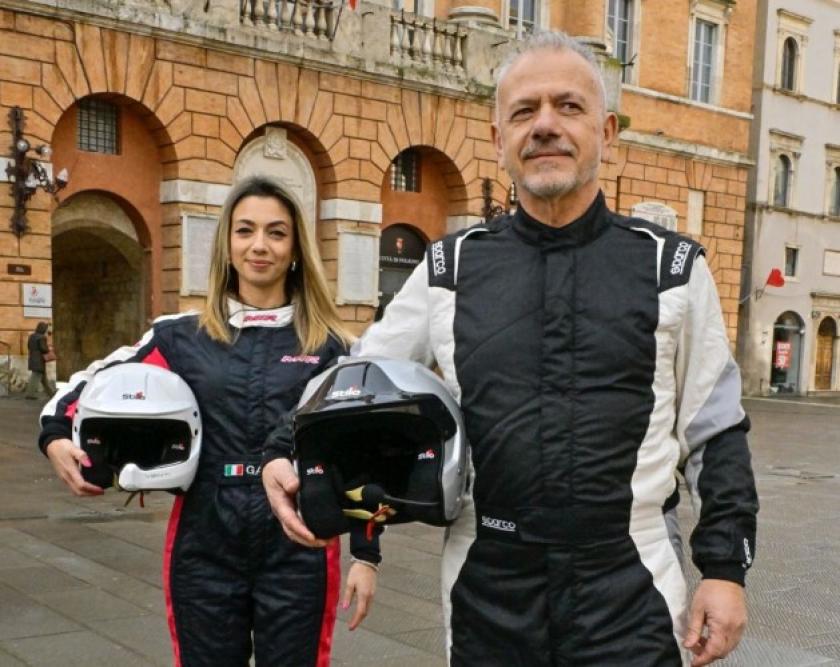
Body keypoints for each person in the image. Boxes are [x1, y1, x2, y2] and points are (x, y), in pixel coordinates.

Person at [265, 31, 758, 667]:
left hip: (629, 584)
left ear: (608, 133)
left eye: (569, 107)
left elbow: (716, 432)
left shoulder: (673, 269)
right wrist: (281, 448)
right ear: (499, 140)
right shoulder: (448, 269)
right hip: (487, 587)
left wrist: (724, 568)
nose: (545, 125)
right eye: (525, 111)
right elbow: (353, 380)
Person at [37, 175, 379, 667]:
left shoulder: (334, 348)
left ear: (296, 249)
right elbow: (83, 389)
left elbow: (363, 450)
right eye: (245, 230)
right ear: (226, 245)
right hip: (203, 543)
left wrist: (366, 555)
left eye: (276, 232)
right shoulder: (180, 338)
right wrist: (54, 436)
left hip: (300, 544)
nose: (259, 245)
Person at [25, 321, 55, 399]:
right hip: (39, 360)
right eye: (46, 329)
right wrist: (49, 349)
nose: (46, 330)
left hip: (32, 358)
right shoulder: (42, 337)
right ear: (43, 329)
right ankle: (30, 395)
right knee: (35, 377)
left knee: (43, 379)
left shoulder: (32, 336)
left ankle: (51, 394)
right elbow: (43, 349)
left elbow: (28, 346)